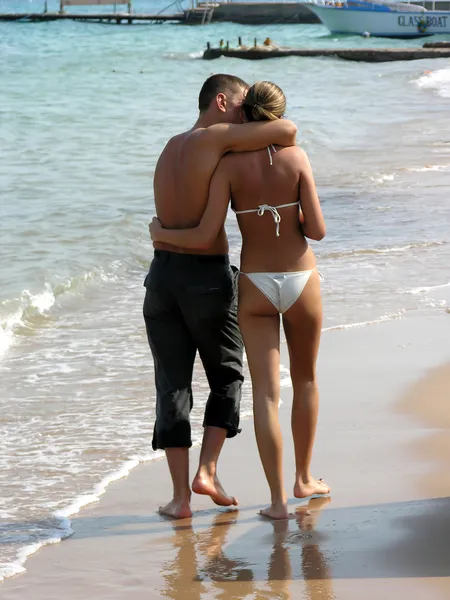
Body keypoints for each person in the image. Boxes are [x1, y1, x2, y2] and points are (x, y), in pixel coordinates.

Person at [149, 81, 330, 519]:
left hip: (177, 278)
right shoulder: (230, 144)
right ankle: (289, 476)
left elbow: (206, 224)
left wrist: (159, 234)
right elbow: (289, 136)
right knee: (274, 379)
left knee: (186, 385)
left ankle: (222, 501)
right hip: (270, 277)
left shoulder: (193, 155)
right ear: (223, 102)